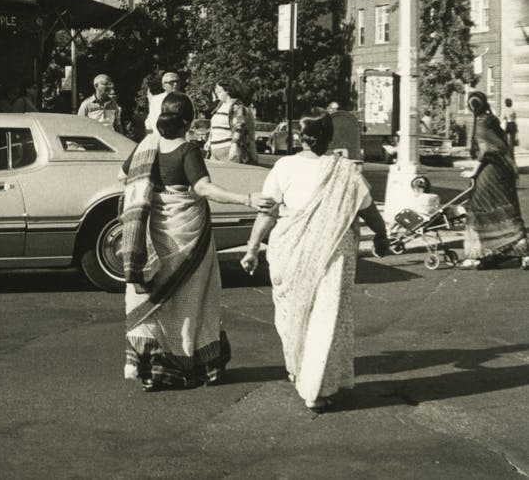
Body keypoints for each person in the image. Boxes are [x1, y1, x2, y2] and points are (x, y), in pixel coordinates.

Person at [120, 91, 275, 392]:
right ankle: (198, 365)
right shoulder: (187, 151)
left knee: (156, 303)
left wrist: (153, 195)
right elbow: (204, 189)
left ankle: (152, 369)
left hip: (155, 235)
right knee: (194, 303)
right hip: (188, 239)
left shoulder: (145, 147)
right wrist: (247, 199)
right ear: (188, 122)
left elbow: (122, 176)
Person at [240, 108, 389, 413]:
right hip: (330, 256)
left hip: (289, 252)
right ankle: (316, 390)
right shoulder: (345, 172)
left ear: (300, 137)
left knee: (292, 316)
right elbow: (369, 211)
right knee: (323, 321)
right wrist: (382, 236)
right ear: (330, 138)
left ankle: (299, 372)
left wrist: (252, 247)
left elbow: (267, 212)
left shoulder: (284, 166)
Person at [457, 91, 529, 270]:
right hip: (501, 172)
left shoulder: (481, 123)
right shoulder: (491, 119)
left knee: (479, 212)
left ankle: (479, 254)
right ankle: (523, 252)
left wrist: (473, 172)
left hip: (489, 174)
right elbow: (501, 145)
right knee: (506, 211)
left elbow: (486, 149)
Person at [207, 77, 257, 164]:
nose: (216, 93)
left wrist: (234, 146)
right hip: (214, 150)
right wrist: (209, 140)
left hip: (228, 149)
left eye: (219, 91)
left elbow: (239, 127)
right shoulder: (219, 106)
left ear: (228, 91)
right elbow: (214, 126)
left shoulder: (237, 107)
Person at [144, 72, 183, 136]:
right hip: (158, 137)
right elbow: (150, 121)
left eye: (177, 81)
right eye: (171, 82)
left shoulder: (185, 99)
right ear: (163, 86)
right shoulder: (156, 100)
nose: (175, 84)